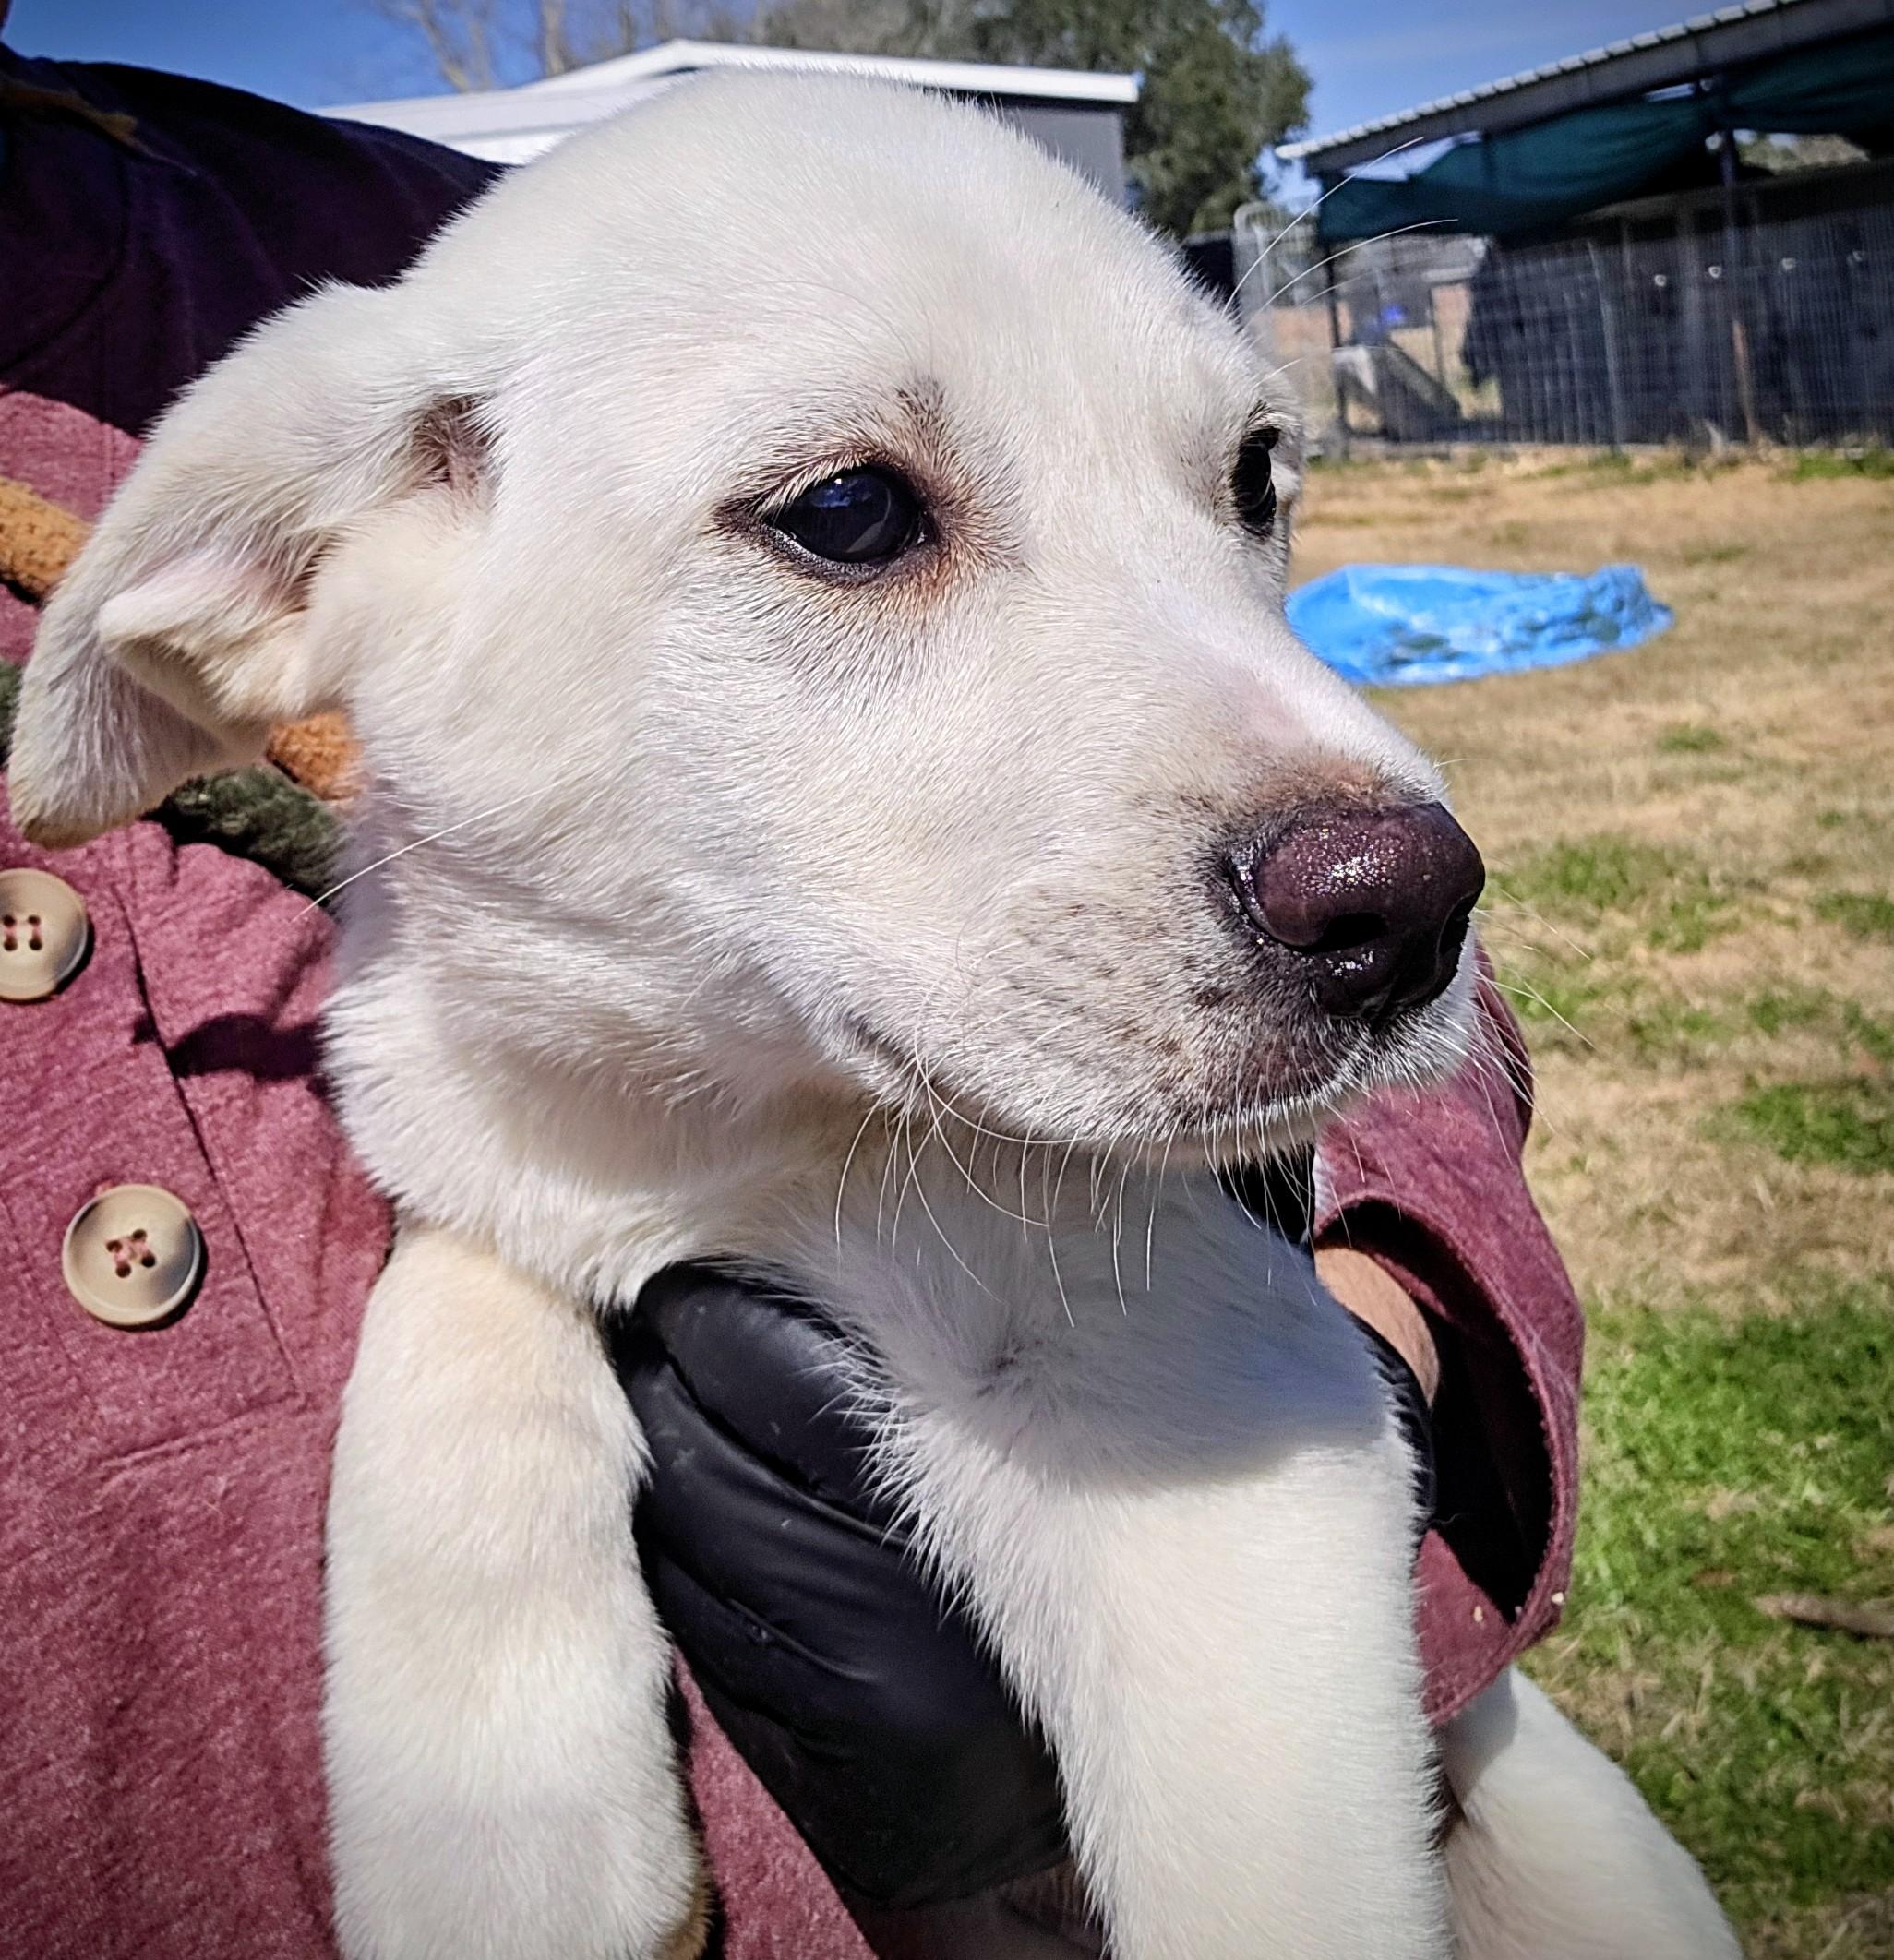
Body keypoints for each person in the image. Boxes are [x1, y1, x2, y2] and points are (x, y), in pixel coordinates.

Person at [0, 30, 1582, 1959]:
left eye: (1242, 470)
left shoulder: (422, 236)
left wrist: (1367, 1307)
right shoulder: (437, 390)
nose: (1362, 793)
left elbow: (1375, 1067)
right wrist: (482, 1380)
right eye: (854, 514)